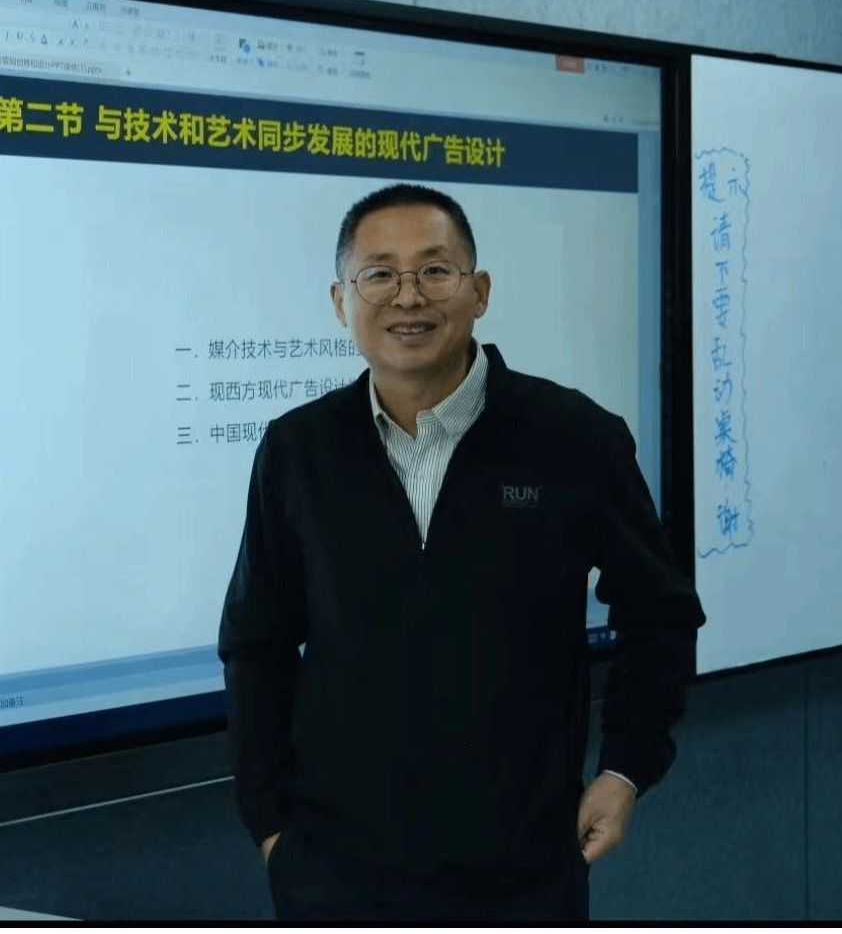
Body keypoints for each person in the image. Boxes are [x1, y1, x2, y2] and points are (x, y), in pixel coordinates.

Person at [218, 183, 706, 923]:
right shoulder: (298, 449)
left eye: (434, 270)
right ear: (341, 301)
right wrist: (271, 825)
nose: (408, 296)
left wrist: (625, 768)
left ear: (479, 291)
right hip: (333, 872)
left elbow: (659, 611)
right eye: (380, 274)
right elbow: (257, 642)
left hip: (522, 868)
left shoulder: (574, 436)